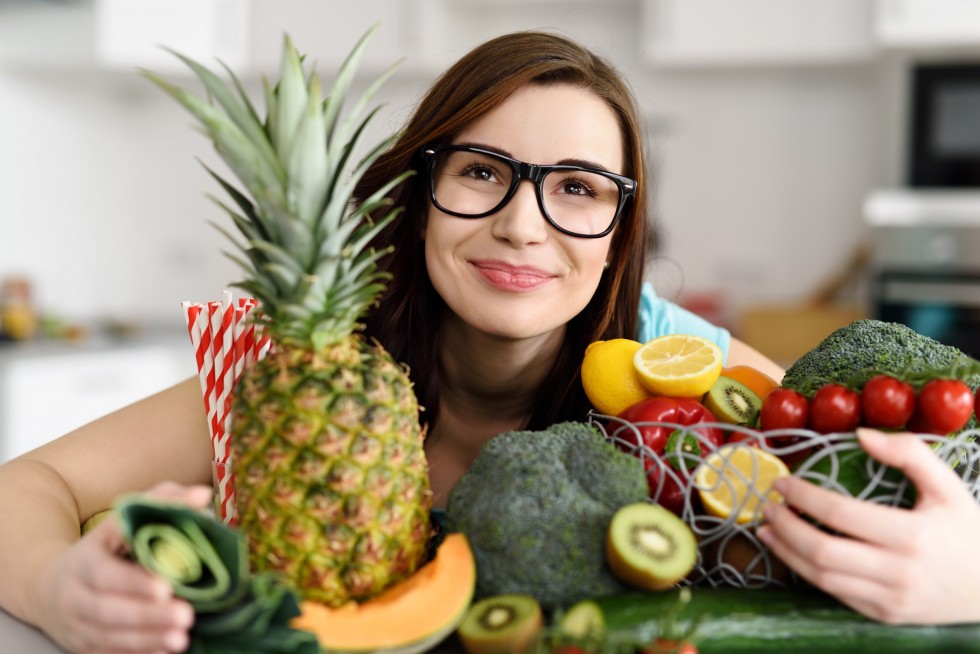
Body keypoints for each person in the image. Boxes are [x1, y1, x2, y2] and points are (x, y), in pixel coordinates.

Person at [0, 30, 972, 654]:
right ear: (417, 199)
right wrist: (52, 587)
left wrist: (962, 575)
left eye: (577, 188)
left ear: (618, 235)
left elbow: (880, 486)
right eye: (481, 171)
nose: (521, 226)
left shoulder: (680, 367)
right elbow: (23, 488)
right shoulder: (305, 375)